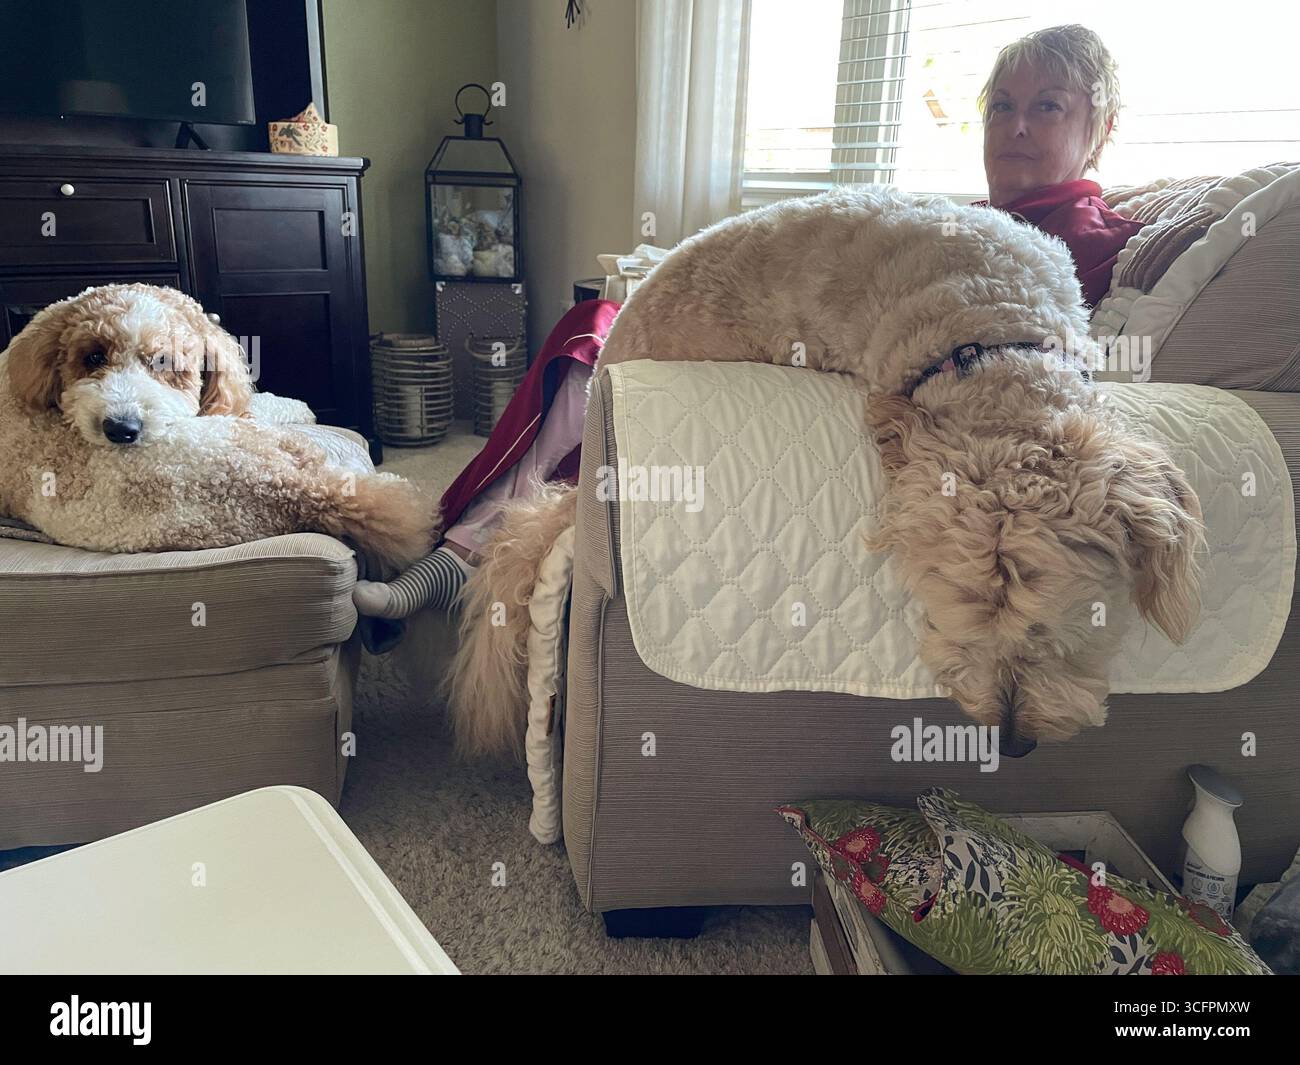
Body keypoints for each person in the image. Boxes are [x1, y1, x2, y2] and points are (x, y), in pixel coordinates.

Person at [354, 23, 1143, 622]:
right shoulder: (962, 224)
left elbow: (1027, 382)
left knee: (598, 341)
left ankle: (464, 549)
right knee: (593, 319)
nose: (1016, 127)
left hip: (830, 380)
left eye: (1047, 107)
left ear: (1099, 127)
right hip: (805, 336)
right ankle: (469, 537)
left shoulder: (1087, 243)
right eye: (1002, 107)